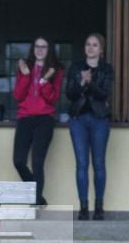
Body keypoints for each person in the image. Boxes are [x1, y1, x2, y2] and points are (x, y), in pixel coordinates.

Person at [65, 33, 113, 221]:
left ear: (101, 50)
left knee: (99, 164)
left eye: (95, 45)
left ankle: (99, 207)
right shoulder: (76, 67)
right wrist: (81, 82)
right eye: (88, 44)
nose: (91, 48)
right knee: (82, 164)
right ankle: (83, 207)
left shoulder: (106, 69)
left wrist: (90, 82)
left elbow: (104, 94)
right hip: (78, 119)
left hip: (99, 119)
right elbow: (69, 94)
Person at [12, 37, 64, 206]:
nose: (40, 49)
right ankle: (38, 197)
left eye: (44, 47)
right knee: (18, 160)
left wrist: (43, 82)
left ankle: (35, 203)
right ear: (32, 48)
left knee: (37, 162)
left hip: (44, 119)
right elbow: (18, 96)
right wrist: (26, 76)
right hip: (25, 118)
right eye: (37, 46)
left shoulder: (55, 69)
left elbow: (53, 98)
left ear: (49, 50)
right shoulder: (24, 67)